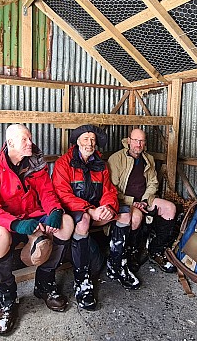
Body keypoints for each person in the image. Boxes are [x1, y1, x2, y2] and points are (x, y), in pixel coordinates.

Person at [0, 124, 74, 336]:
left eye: (30, 138)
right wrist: (15, 223)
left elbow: (47, 193)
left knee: (66, 224)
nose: (30, 143)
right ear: (10, 143)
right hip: (10, 222)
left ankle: (44, 284)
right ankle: (7, 301)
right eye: (25, 139)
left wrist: (55, 211)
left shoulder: (36, 164)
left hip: (34, 217)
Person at [52, 124, 141, 311]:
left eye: (92, 140)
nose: (90, 143)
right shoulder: (63, 163)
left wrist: (108, 207)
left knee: (125, 214)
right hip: (75, 210)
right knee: (83, 222)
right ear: (77, 142)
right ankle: (82, 281)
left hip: (97, 209)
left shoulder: (100, 163)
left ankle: (117, 266)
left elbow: (109, 190)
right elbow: (62, 194)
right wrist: (89, 210)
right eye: (85, 139)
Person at [107, 128, 177, 274]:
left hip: (145, 199)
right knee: (137, 216)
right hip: (124, 201)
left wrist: (144, 200)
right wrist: (132, 202)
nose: (138, 144)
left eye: (141, 141)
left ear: (145, 143)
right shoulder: (116, 159)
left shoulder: (148, 159)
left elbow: (153, 183)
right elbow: (111, 189)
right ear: (128, 140)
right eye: (135, 140)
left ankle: (156, 250)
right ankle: (130, 253)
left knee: (170, 208)